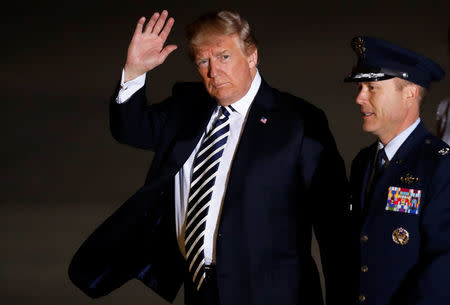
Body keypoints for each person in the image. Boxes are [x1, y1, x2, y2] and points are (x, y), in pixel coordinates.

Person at [69, 10, 350, 305]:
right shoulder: (186, 108)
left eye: (224, 57)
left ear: (252, 56)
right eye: (203, 61)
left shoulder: (299, 121)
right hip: (201, 288)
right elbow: (130, 130)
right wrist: (135, 70)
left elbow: (334, 225)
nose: (213, 72)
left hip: (273, 293)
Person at [344, 36, 450, 305]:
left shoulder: (440, 165)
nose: (359, 98)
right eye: (360, 87)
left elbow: (444, 265)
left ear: (410, 93)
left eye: (371, 87)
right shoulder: (363, 163)